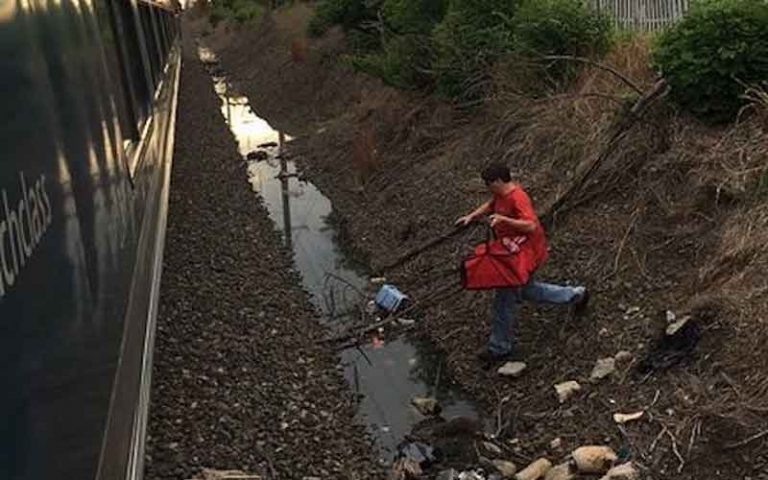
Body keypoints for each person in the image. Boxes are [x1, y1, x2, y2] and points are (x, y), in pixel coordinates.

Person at [456, 163, 589, 362]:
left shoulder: (518, 197)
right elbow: (491, 205)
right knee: (528, 291)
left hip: (525, 256)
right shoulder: (501, 195)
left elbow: (530, 225)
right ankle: (576, 295)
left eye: (488, 184)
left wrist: (504, 221)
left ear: (499, 181)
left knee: (503, 301)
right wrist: (471, 216)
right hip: (514, 254)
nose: (487, 187)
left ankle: (500, 347)